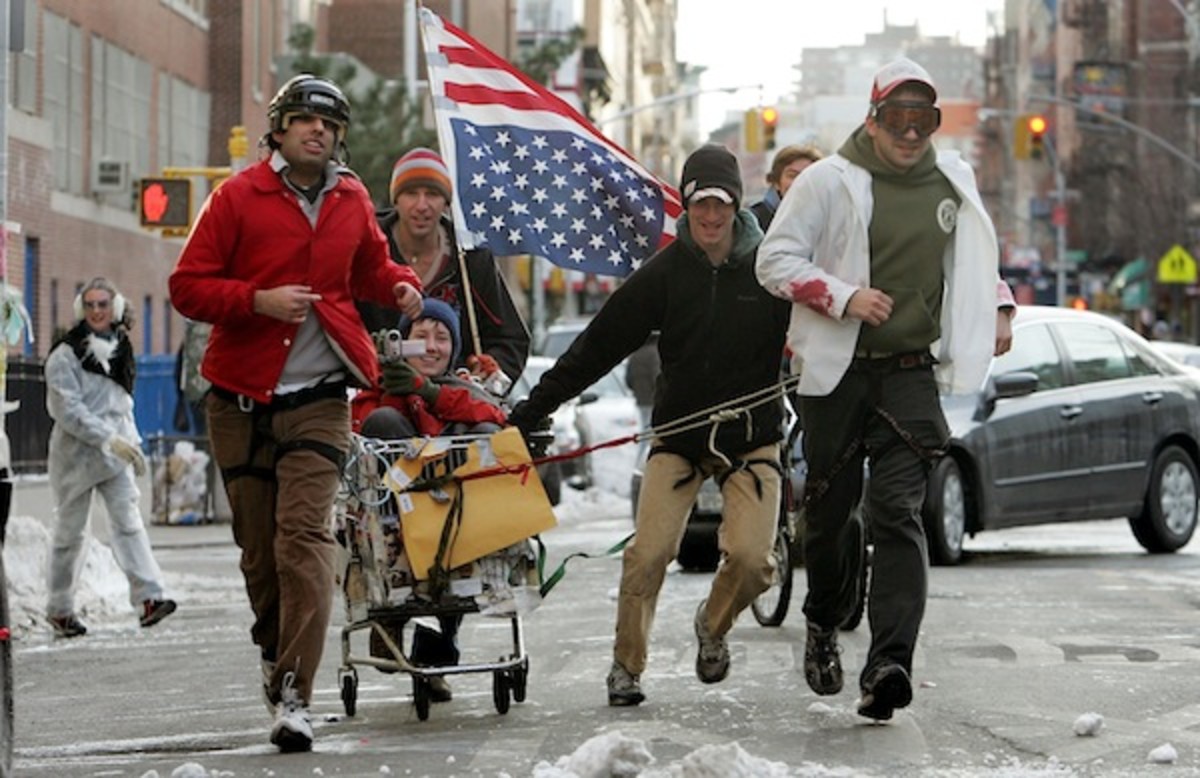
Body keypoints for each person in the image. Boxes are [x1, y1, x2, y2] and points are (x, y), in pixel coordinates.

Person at [169, 74, 424, 753]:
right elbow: (186, 287)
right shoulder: (236, 197)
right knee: (260, 554)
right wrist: (257, 301)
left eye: (330, 122)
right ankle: (273, 652)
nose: (318, 130)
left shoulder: (352, 197)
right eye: (305, 119)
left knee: (305, 542)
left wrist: (397, 284)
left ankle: (294, 696)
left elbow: (369, 266)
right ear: (279, 129)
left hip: (319, 401)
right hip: (240, 401)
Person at [757, 57, 1016, 722]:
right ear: (872, 119)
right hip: (834, 375)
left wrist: (1000, 305)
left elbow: (976, 255)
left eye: (922, 119)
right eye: (896, 119)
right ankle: (823, 621)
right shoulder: (825, 181)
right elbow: (773, 261)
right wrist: (843, 297)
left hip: (907, 371)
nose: (909, 132)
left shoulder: (951, 177)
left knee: (898, 511)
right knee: (833, 512)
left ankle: (889, 663)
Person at [508, 144, 791, 706]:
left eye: (720, 205)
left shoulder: (772, 271)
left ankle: (713, 626)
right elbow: (596, 348)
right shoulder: (665, 274)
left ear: (736, 206)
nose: (710, 217)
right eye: (699, 205)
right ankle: (626, 667)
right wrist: (529, 412)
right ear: (685, 207)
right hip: (679, 438)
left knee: (756, 562)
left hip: (752, 437)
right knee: (649, 553)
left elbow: (822, 329)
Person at [351, 297, 507, 702]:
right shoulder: (378, 386)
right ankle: (393, 619)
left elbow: (496, 418)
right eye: (421, 336)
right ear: (402, 342)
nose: (431, 346)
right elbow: (360, 429)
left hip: (455, 523)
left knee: (479, 430)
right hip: (395, 523)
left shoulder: (460, 388)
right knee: (383, 423)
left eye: (441, 337)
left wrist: (431, 392)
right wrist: (394, 386)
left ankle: (436, 649)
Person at [44, 277, 177, 639]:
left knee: (128, 523)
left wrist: (130, 444)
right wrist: (110, 440)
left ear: (115, 308)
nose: (97, 311)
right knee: (70, 533)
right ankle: (59, 608)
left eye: (103, 304)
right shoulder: (65, 355)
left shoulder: (121, 349)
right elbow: (66, 410)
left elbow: (122, 406)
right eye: (90, 305)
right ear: (80, 309)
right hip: (75, 457)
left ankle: (150, 597)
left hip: (114, 454)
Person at [357, 147, 530, 394]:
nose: (421, 205)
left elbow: (511, 339)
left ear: (447, 202)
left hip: (458, 401)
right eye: (411, 193)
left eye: (432, 194)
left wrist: (487, 376)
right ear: (396, 198)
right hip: (380, 395)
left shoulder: (471, 259)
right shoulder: (366, 249)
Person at [750, 144, 824, 232]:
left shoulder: (829, 220)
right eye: (792, 175)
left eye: (808, 176)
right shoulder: (753, 222)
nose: (800, 182)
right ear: (776, 182)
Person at [624, 332, 660, 461]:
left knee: (645, 430)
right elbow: (657, 377)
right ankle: (646, 461)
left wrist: (638, 391)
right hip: (655, 400)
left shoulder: (635, 355)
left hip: (641, 399)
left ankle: (640, 459)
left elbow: (628, 380)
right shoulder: (655, 353)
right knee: (654, 432)